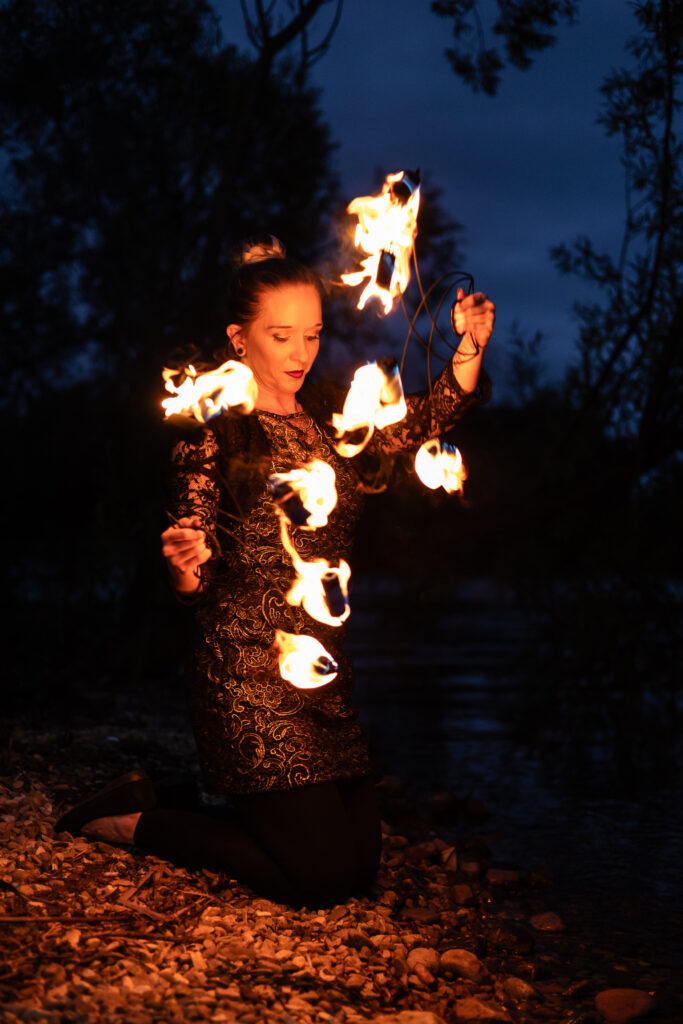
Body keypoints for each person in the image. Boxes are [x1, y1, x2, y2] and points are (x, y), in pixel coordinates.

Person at [55, 237, 495, 908]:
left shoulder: (329, 420)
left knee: (358, 868)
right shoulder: (212, 438)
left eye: (312, 335)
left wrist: (468, 344)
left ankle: (171, 790)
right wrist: (182, 568)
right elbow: (194, 587)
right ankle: (133, 821)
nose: (300, 353)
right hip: (243, 676)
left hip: (321, 674)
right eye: (281, 336)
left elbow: (418, 425)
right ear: (239, 338)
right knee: (317, 880)